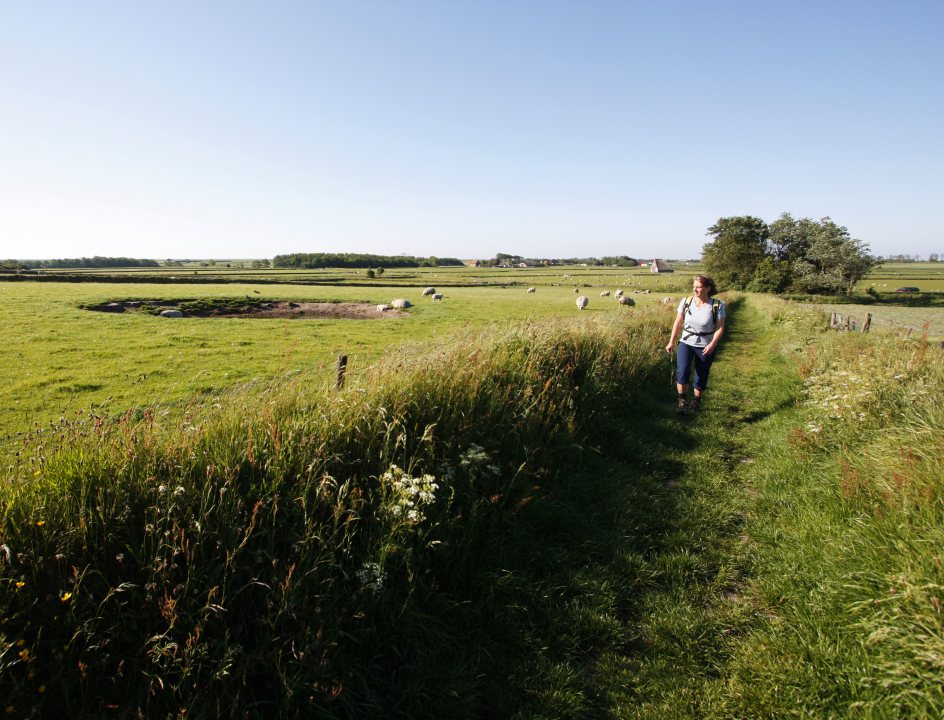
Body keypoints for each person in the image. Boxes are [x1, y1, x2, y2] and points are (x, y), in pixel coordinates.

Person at [665, 275, 725, 414]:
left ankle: (696, 402)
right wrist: (671, 341)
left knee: (701, 374)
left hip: (706, 345)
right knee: (682, 371)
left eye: (699, 287)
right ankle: (682, 402)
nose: (695, 289)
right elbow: (678, 322)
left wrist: (712, 345)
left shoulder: (717, 305)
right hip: (686, 342)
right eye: (694, 286)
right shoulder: (686, 301)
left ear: (708, 288)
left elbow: (720, 328)